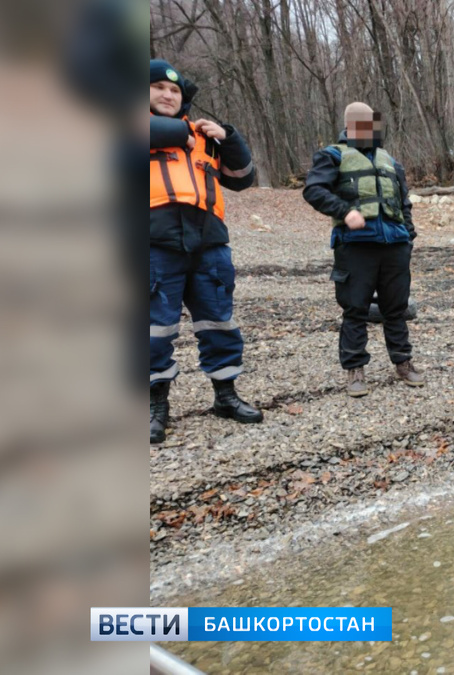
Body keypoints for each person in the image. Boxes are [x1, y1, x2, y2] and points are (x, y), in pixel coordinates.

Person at [149, 59, 262, 444]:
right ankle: (154, 406)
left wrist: (228, 137)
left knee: (219, 323)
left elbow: (244, 179)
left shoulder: (203, 136)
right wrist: (180, 134)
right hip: (153, 243)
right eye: (158, 88)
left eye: (175, 91)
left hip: (209, 242)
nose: (167, 95)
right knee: (153, 330)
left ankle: (226, 396)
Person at [303, 102, 424, 396]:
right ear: (349, 125)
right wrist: (345, 212)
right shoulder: (332, 155)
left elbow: (403, 201)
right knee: (355, 309)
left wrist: (408, 235)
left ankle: (403, 362)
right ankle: (355, 370)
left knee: (395, 309)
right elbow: (313, 190)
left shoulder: (390, 161)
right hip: (355, 247)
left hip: (394, 246)